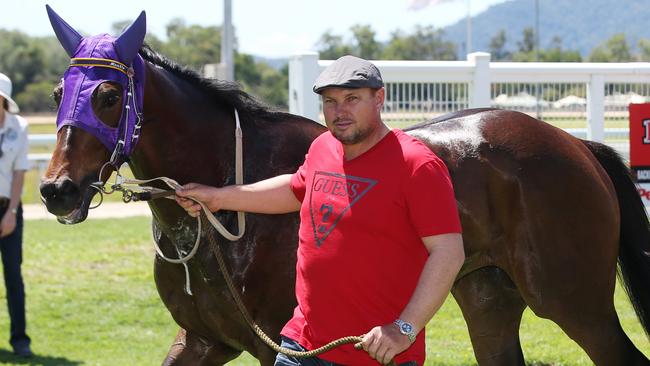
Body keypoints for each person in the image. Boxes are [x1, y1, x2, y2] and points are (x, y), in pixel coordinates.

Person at [175, 55, 464, 366]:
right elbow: (296, 188)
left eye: (352, 99)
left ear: (379, 98)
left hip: (376, 352)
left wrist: (404, 329)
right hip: (302, 345)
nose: (340, 111)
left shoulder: (416, 165)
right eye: (330, 101)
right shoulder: (323, 146)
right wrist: (219, 198)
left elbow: (448, 252)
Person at [0, 72, 31, 358]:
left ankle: (20, 339)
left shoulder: (18, 127)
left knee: (13, 276)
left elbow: (19, 172)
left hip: (8, 208)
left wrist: (10, 212)